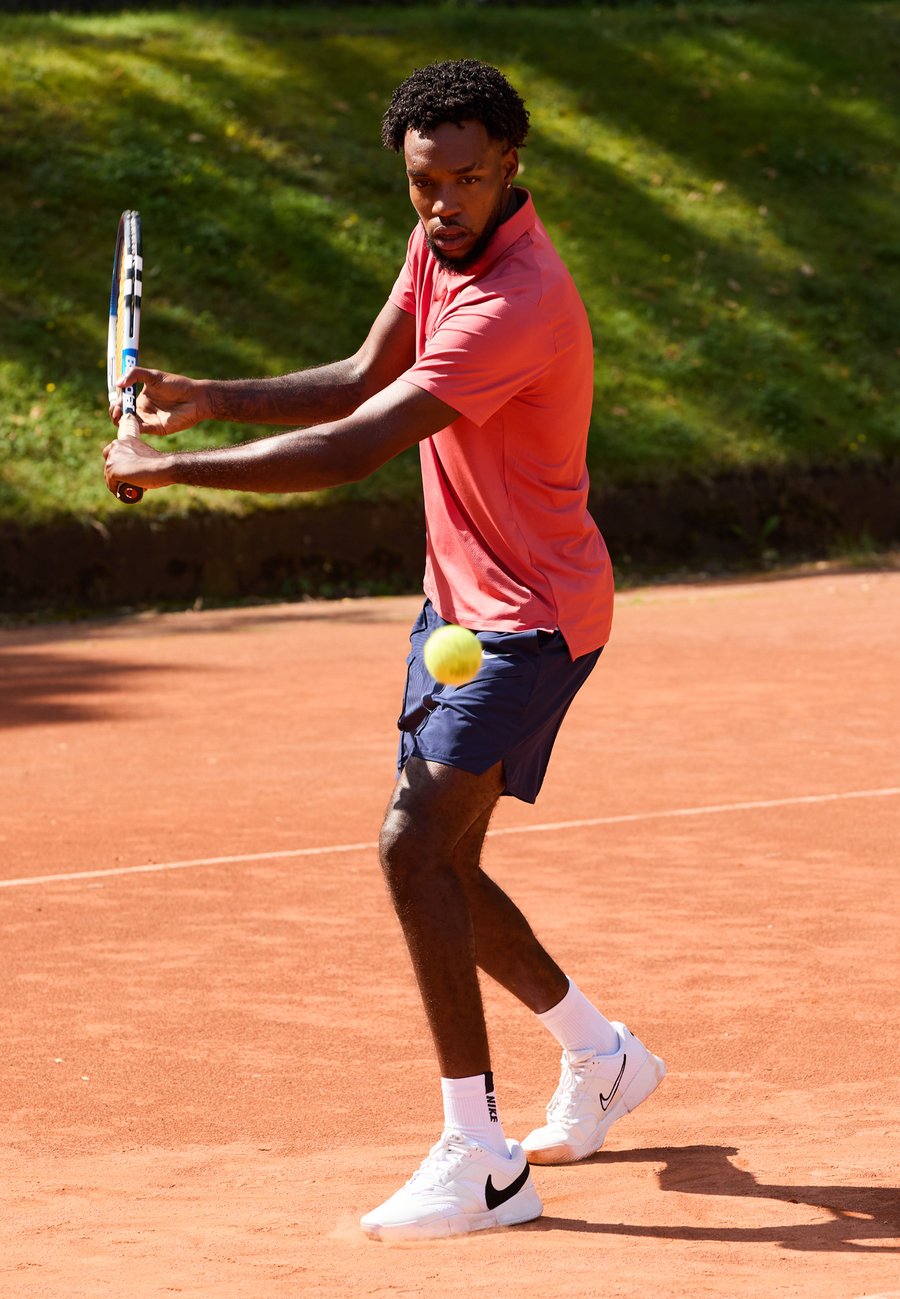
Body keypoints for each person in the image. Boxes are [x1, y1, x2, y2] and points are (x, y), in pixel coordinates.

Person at [104, 58, 665, 1242]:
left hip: (533, 620)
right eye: (424, 184)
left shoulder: (517, 300)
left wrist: (172, 467)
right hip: (457, 608)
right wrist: (210, 396)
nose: (445, 203)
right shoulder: (437, 248)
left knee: (413, 849)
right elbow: (365, 378)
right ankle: (601, 1055)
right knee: (444, 861)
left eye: (468, 179)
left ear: (511, 165)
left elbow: (358, 445)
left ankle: (483, 1162)